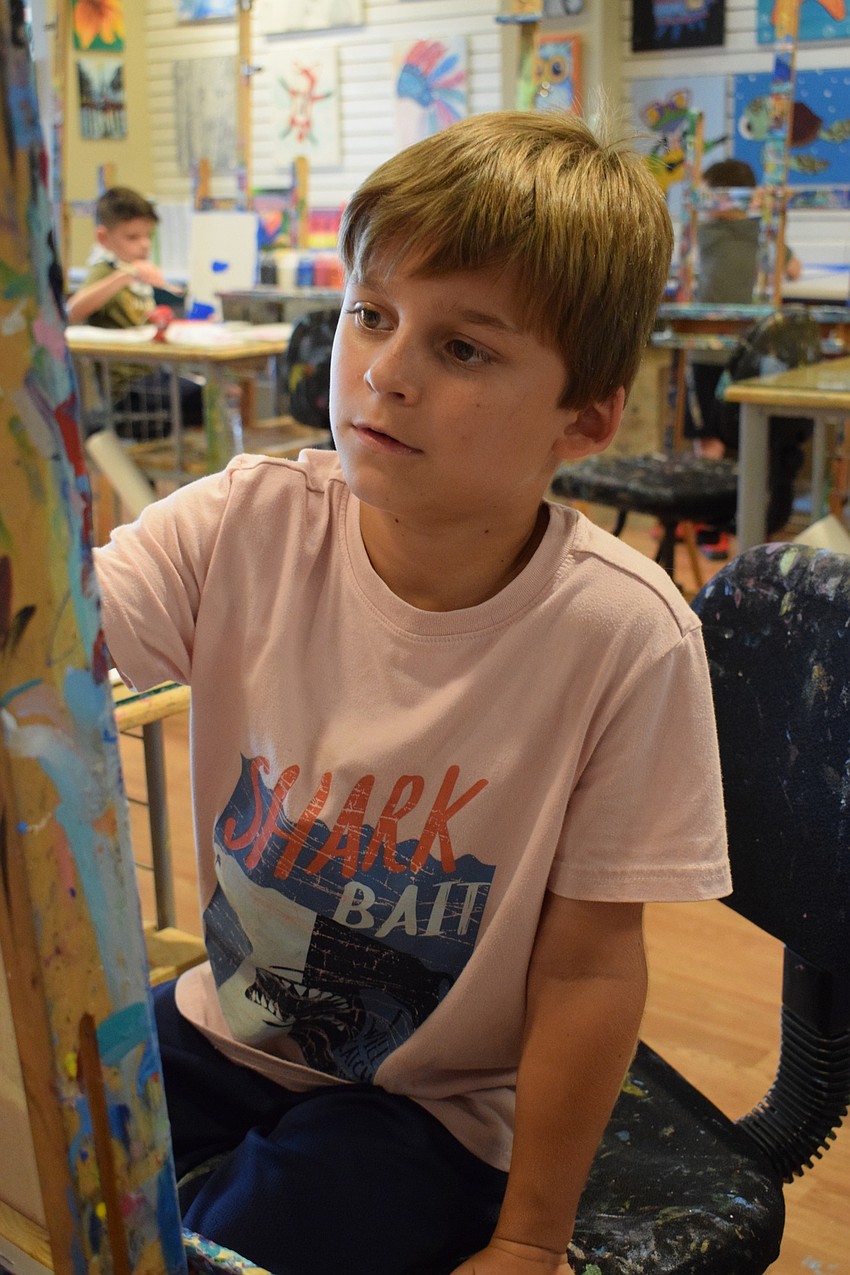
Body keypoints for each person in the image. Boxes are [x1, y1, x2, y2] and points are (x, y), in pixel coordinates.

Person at [94, 111, 730, 1275]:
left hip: (430, 1108)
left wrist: (532, 1238)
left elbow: (590, 966)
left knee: (235, 1245)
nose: (383, 372)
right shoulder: (241, 519)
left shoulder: (624, 640)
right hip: (212, 1030)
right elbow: (50, 655)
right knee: (58, 1167)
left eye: (464, 349)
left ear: (586, 415)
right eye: (370, 315)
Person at [684, 159, 805, 553]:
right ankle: (728, 525)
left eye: (707, 194)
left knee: (714, 442)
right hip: (735, 355)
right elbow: (795, 270)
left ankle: (720, 524)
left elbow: (792, 270)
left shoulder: (702, 233)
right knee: (739, 441)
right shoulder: (753, 232)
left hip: (718, 355)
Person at [66, 186, 204, 439]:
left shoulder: (138, 278)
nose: (143, 245)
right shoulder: (107, 271)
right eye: (132, 237)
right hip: (126, 390)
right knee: (205, 398)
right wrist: (124, 275)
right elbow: (71, 311)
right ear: (104, 238)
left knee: (215, 392)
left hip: (153, 376)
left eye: (147, 236)